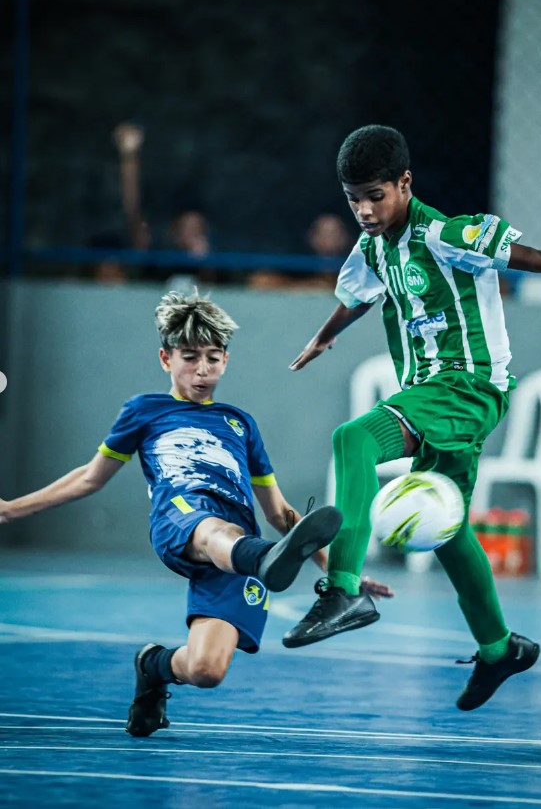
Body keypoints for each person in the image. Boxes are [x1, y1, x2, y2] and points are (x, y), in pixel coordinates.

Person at [282, 124, 541, 711]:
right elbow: (357, 295)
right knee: (448, 527)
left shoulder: (448, 234)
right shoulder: (373, 246)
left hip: (467, 386)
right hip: (432, 394)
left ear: (405, 183)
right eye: (353, 198)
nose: (363, 210)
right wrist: (323, 337)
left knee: (353, 438)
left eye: (375, 196)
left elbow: (538, 260)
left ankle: (344, 591)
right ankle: (498, 647)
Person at [0, 291, 392, 737]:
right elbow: (90, 478)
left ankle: (153, 666)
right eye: (190, 357)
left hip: (242, 544)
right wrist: (12, 509)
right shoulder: (144, 411)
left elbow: (282, 516)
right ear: (166, 358)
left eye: (212, 358)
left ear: (226, 360)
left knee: (207, 669)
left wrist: (344, 576)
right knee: (214, 530)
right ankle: (259, 558)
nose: (202, 370)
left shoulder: (239, 424)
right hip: (184, 518)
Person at [112, 123, 218, 287]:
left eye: (197, 229)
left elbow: (218, 289)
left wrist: (206, 263)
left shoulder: (211, 259)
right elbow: (132, 212)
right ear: (175, 232)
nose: (192, 234)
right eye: (187, 229)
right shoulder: (158, 253)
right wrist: (129, 159)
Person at [247, 213, 353, 291]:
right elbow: (259, 281)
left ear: (346, 238)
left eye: (337, 233)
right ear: (312, 237)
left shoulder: (357, 269)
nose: (331, 239)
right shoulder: (297, 266)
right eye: (324, 233)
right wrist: (309, 287)